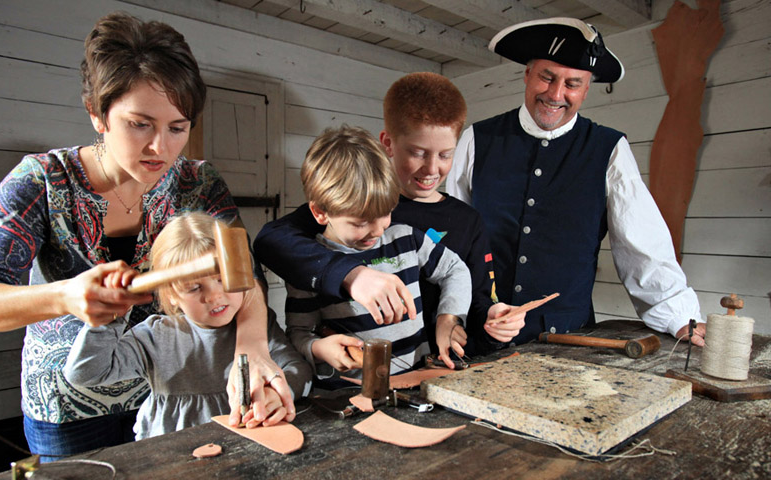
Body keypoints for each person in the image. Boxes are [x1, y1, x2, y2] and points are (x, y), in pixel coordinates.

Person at [0, 12, 291, 459]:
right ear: (98, 114)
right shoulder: (42, 181)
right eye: (140, 124)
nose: (161, 147)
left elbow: (245, 276)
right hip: (68, 408)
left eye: (177, 128)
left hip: (170, 397)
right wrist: (65, 297)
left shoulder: (197, 184)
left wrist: (253, 348)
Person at [446, 17, 705, 347]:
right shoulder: (477, 140)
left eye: (572, 83)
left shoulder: (608, 150)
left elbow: (643, 245)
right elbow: (454, 245)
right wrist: (450, 316)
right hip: (481, 335)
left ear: (586, 90)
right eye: (547, 77)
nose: (556, 94)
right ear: (527, 75)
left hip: (570, 341)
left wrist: (681, 317)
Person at [255, 73, 525, 359]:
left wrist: (492, 319)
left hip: (431, 366)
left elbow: (478, 296)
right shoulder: (354, 202)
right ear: (388, 143)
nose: (432, 169)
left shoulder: (467, 221)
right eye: (418, 152)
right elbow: (270, 242)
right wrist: (351, 275)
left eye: (445, 155)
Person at [63, 213, 311, 439]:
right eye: (194, 288)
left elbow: (298, 370)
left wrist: (277, 393)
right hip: (170, 452)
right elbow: (85, 374)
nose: (214, 297)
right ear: (171, 295)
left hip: (241, 445)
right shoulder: (156, 336)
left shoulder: (259, 327)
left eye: (222, 280)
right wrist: (109, 320)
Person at [281, 125, 472, 384]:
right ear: (320, 212)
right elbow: (299, 333)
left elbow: (454, 270)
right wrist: (319, 348)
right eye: (360, 223)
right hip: (352, 393)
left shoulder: (406, 237)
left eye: (385, 213)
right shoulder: (310, 267)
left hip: (418, 383)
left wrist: (449, 319)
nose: (377, 230)